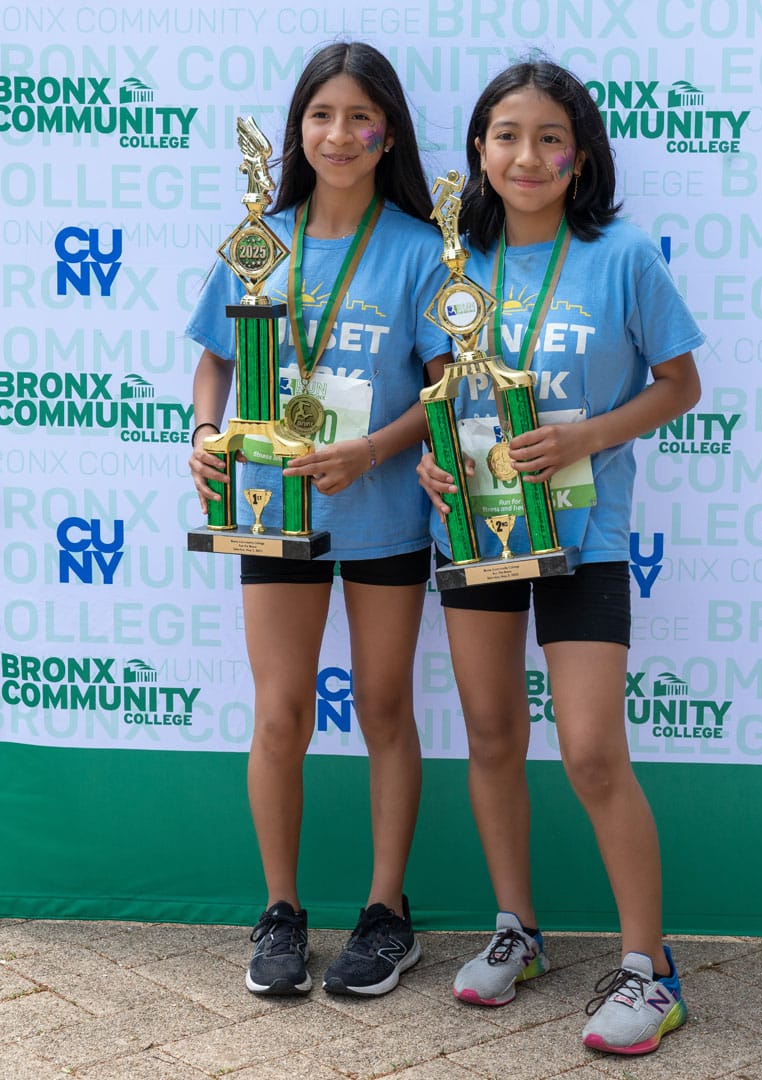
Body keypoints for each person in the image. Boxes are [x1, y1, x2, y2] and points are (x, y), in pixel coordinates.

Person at [417, 60, 704, 1055]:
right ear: (479, 152)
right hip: (478, 530)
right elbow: (440, 396)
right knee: (493, 735)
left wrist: (587, 438)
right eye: (505, 135)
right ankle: (516, 930)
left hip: (586, 535)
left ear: (579, 155)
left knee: (589, 749)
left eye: (548, 137)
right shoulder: (455, 264)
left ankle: (649, 971)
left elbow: (681, 385)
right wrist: (432, 461)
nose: (525, 155)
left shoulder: (621, 255)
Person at [187, 42, 450, 999]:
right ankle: (281, 912)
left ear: (389, 135)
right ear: (297, 129)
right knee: (280, 713)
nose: (339, 135)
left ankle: (387, 915)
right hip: (271, 503)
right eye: (321, 116)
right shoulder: (261, 236)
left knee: (384, 709)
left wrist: (372, 450)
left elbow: (447, 387)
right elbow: (215, 356)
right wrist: (207, 431)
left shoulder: (422, 249)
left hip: (381, 513)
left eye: (359, 117)